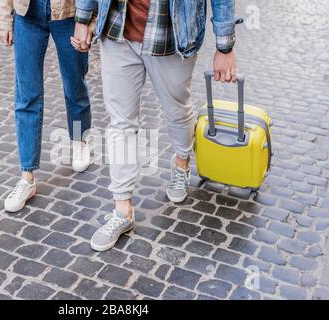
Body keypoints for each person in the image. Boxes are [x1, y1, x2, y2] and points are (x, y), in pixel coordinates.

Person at [72, 0, 242, 251]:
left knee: (177, 109)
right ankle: (122, 210)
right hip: (117, 29)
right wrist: (82, 18)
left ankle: (181, 162)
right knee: (120, 122)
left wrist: (225, 47)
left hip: (171, 35)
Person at [0, 0, 95, 212]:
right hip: (27, 14)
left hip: (69, 15)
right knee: (26, 96)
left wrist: (90, 21)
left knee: (75, 86)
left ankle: (80, 140)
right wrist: (5, 18)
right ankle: (27, 177)